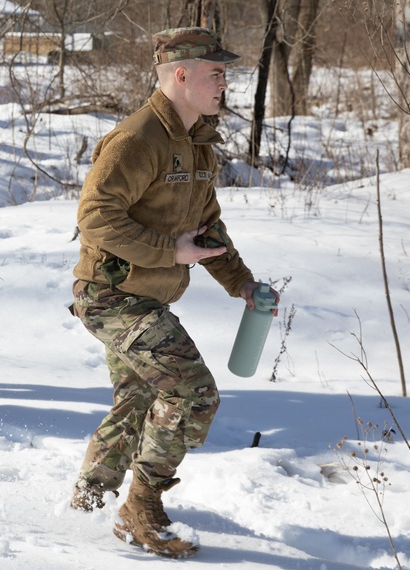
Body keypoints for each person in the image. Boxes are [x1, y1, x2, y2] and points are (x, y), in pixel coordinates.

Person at [67, 27, 279, 558]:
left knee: (139, 399)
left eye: (225, 74)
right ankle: (140, 506)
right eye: (216, 73)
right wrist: (170, 251)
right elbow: (94, 219)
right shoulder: (139, 140)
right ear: (180, 76)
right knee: (191, 392)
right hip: (110, 296)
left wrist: (241, 282)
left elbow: (207, 226)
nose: (224, 83)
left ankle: (86, 508)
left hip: (145, 298)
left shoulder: (198, 141)